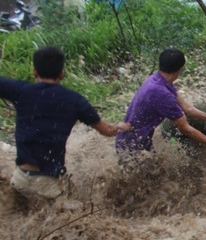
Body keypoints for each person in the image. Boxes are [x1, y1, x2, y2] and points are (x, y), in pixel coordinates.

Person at [0, 46, 131, 200]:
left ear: (34, 72)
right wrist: (120, 127)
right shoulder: (74, 101)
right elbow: (107, 131)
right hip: (49, 185)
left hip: (21, 180)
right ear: (62, 74)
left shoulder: (21, 91)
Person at [115, 48, 206, 164]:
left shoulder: (158, 80)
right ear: (179, 70)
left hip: (129, 139)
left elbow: (187, 108)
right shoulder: (162, 94)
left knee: (156, 173)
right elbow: (185, 128)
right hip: (133, 146)